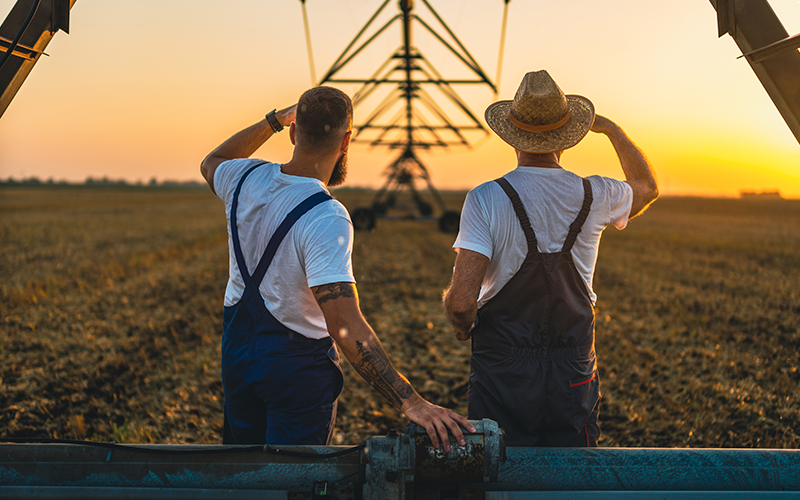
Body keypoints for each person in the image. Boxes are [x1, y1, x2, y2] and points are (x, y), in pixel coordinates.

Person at [200, 85, 474, 449]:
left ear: (295, 131)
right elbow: (344, 326)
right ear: (347, 141)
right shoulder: (326, 215)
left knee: (242, 475)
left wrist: (273, 121)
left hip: (237, 356)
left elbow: (211, 160)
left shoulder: (244, 179)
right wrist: (410, 401)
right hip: (297, 372)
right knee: (296, 483)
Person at [442, 70, 658, 447]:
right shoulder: (596, 194)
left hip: (502, 371)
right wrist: (613, 130)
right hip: (572, 369)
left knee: (498, 470)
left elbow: (461, 303)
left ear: (512, 135)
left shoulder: (485, 198)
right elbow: (647, 187)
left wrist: (462, 328)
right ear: (567, 138)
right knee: (571, 476)